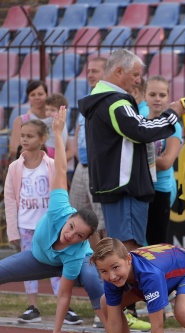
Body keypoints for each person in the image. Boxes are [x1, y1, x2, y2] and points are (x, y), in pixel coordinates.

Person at [0, 106, 106, 333]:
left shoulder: (76, 251)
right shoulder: (59, 206)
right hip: (40, 256)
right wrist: (58, 133)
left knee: (92, 280)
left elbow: (65, 295)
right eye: (71, 228)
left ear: (85, 240)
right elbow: (60, 169)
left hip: (73, 262)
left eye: (79, 235)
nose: (70, 235)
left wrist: (56, 332)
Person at [77, 49, 185, 253]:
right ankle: (131, 286)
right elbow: (141, 131)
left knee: (120, 247)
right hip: (126, 187)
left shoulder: (101, 99)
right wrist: (173, 113)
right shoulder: (115, 101)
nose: (139, 81)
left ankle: (120, 285)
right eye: (136, 75)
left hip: (113, 185)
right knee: (130, 249)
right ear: (119, 71)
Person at [5, 119, 66, 323]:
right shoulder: (15, 168)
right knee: (28, 267)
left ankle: (63, 306)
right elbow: (10, 200)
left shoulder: (50, 165)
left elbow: (60, 192)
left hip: (48, 227)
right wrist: (13, 231)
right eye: (23, 136)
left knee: (57, 265)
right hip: (26, 227)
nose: (24, 139)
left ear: (42, 139)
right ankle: (33, 306)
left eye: (30, 136)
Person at [69, 56, 107, 251]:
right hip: (81, 167)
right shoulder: (88, 99)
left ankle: (106, 267)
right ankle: (89, 264)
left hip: (98, 168)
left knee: (101, 222)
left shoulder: (107, 99)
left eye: (95, 71)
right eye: (89, 71)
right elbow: (77, 130)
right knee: (77, 217)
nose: (90, 75)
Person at [143, 76, 182, 246]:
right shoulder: (139, 119)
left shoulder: (174, 126)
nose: (157, 99)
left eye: (162, 95)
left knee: (156, 242)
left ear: (168, 97)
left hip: (160, 189)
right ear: (144, 96)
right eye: (152, 94)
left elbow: (167, 162)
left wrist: (138, 161)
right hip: (140, 187)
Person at [9, 80, 48, 160]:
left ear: (46, 95)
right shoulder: (20, 120)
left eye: (40, 94)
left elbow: (69, 150)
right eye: (32, 95)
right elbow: (14, 148)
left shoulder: (55, 120)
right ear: (28, 97)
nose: (37, 97)